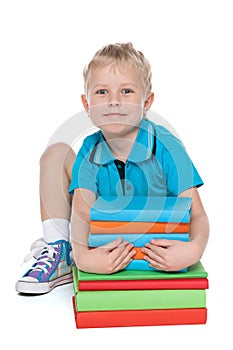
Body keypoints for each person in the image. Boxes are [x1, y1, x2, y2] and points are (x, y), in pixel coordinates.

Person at [16, 42, 209, 294]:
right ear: (87, 104)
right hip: (101, 231)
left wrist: (193, 250)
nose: (114, 101)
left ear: (147, 101)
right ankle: (61, 250)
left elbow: (197, 215)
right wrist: (84, 257)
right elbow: (83, 213)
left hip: (148, 238)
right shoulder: (90, 148)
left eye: (127, 91)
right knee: (55, 153)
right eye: (102, 92)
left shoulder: (168, 147)